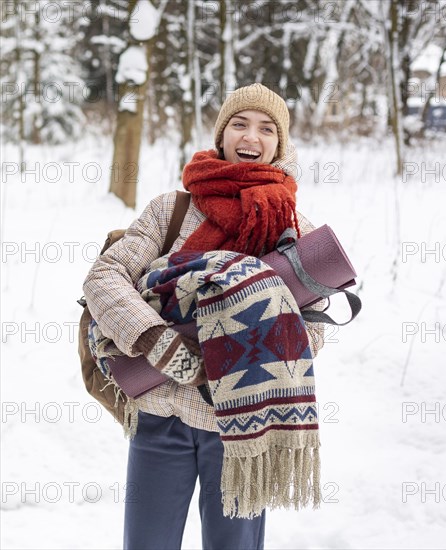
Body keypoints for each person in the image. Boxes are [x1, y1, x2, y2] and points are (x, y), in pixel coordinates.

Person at [83, 83, 326, 550]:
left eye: (266, 128)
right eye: (239, 123)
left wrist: (235, 346)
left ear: (280, 144)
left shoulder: (292, 228)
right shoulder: (170, 211)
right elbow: (104, 277)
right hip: (160, 413)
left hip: (244, 429)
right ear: (221, 134)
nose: (250, 136)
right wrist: (156, 340)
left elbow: (313, 329)